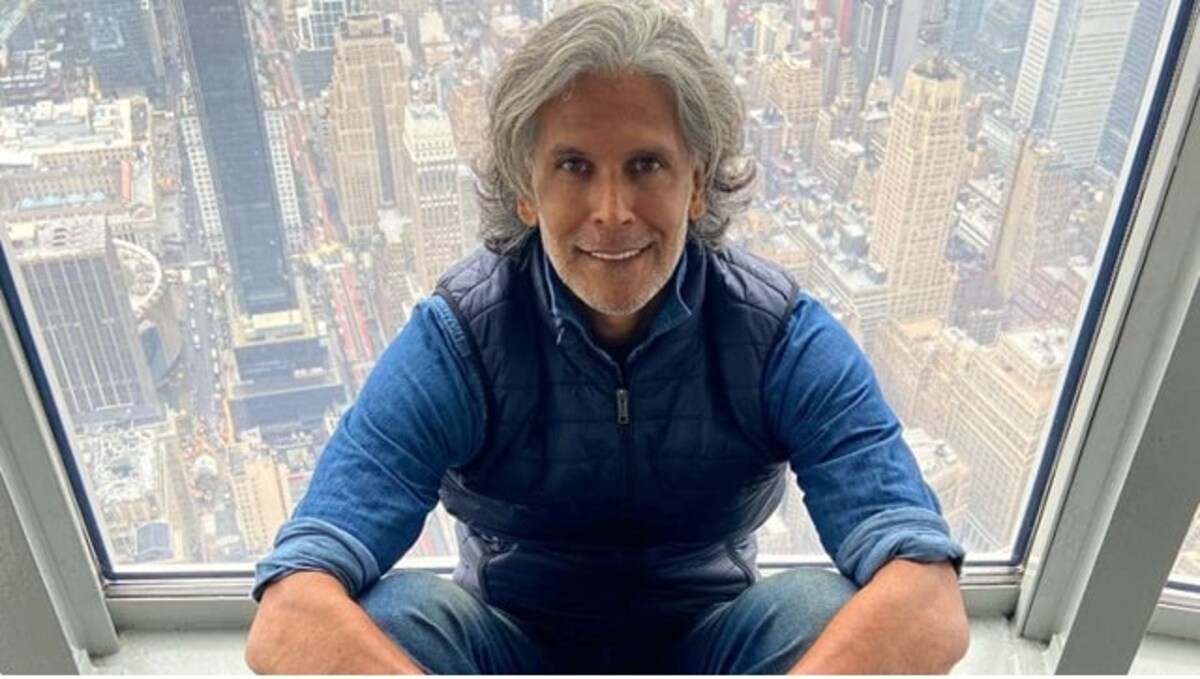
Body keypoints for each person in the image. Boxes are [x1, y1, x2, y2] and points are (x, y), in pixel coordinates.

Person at [245, 1, 968, 673]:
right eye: (574, 167)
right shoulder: (463, 340)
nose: (613, 210)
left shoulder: (775, 335)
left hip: (713, 643)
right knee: (397, 616)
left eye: (646, 165)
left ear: (697, 183)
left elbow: (927, 599)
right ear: (524, 189)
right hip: (512, 645)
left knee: (821, 610)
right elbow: (290, 611)